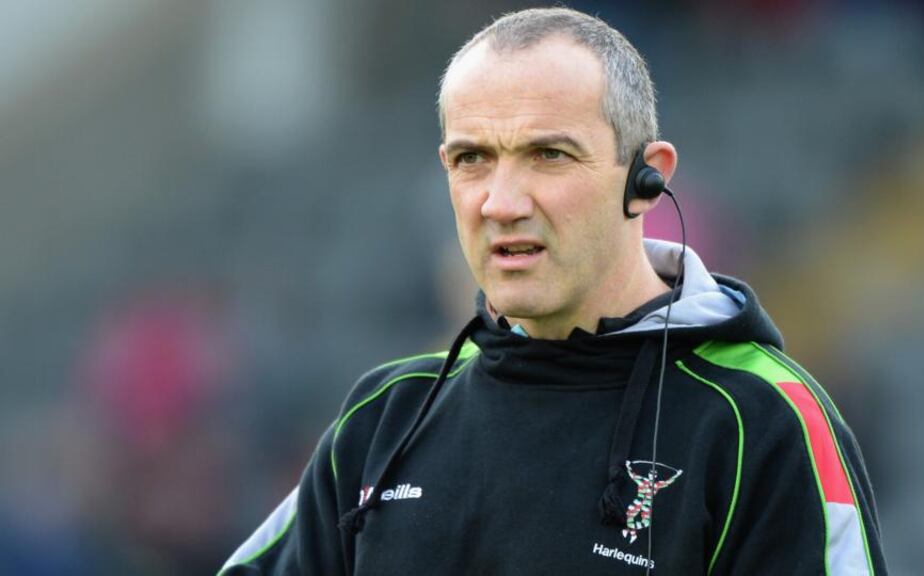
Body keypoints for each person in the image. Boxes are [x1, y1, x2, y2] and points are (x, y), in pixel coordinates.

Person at [220, 7, 887, 575]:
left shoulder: (763, 422)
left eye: (549, 155)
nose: (501, 202)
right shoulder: (384, 419)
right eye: (472, 158)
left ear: (645, 179)